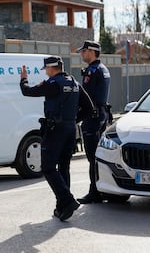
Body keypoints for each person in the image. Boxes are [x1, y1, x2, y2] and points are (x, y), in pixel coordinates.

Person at [20, 56, 94, 221]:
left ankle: (67, 201)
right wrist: (73, 120)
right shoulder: (74, 83)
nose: (46, 72)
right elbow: (89, 108)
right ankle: (61, 207)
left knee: (47, 167)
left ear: (52, 68)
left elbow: (28, 91)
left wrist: (23, 80)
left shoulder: (53, 84)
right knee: (63, 167)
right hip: (69, 131)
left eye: (46, 69)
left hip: (55, 132)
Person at [76, 40, 111, 204]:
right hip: (102, 114)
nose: (81, 54)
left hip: (92, 117)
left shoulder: (92, 71)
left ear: (91, 51)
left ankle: (94, 192)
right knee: (99, 155)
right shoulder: (103, 69)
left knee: (92, 156)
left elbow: (85, 98)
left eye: (83, 51)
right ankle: (102, 189)